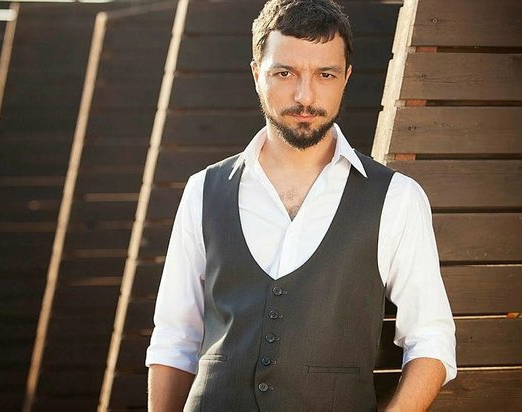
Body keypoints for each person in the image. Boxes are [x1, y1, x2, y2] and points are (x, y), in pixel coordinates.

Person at [146, 0, 457, 410]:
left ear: (345, 78)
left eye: (325, 74)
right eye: (285, 72)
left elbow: (431, 341)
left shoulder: (396, 198)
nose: (304, 95)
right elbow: (175, 340)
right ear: (257, 75)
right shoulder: (204, 190)